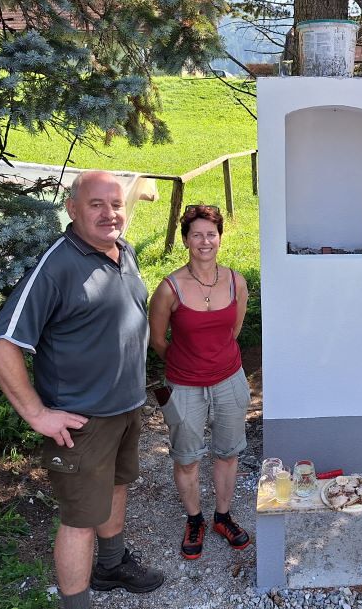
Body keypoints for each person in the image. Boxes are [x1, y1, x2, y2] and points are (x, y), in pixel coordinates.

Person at [0, 171, 163, 609]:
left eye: (115, 204)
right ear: (72, 209)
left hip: (126, 408)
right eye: (96, 204)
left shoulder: (123, 251)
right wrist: (37, 414)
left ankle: (112, 565)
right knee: (79, 520)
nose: (109, 214)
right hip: (82, 421)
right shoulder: (58, 265)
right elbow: (0, 344)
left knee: (117, 486)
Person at [149, 204, 251, 560]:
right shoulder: (169, 289)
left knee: (228, 452)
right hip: (184, 386)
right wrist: (189, 364)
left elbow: (233, 331)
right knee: (187, 458)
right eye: (197, 235)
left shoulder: (236, 281)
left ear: (220, 238)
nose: (205, 241)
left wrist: (214, 360)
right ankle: (195, 520)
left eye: (211, 234)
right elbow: (157, 340)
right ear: (186, 240)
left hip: (229, 381)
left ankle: (223, 516)